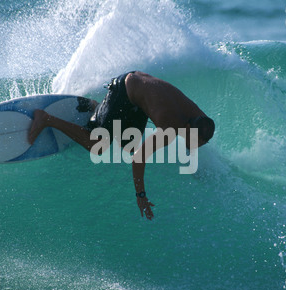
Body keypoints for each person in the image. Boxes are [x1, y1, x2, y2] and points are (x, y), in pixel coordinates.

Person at [28, 71, 215, 220]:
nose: (193, 145)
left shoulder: (200, 118)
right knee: (97, 146)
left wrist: (196, 170)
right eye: (191, 140)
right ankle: (46, 119)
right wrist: (141, 195)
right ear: (188, 127)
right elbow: (139, 159)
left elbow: (195, 138)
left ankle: (96, 109)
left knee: (128, 144)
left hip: (141, 96)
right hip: (124, 89)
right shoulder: (170, 127)